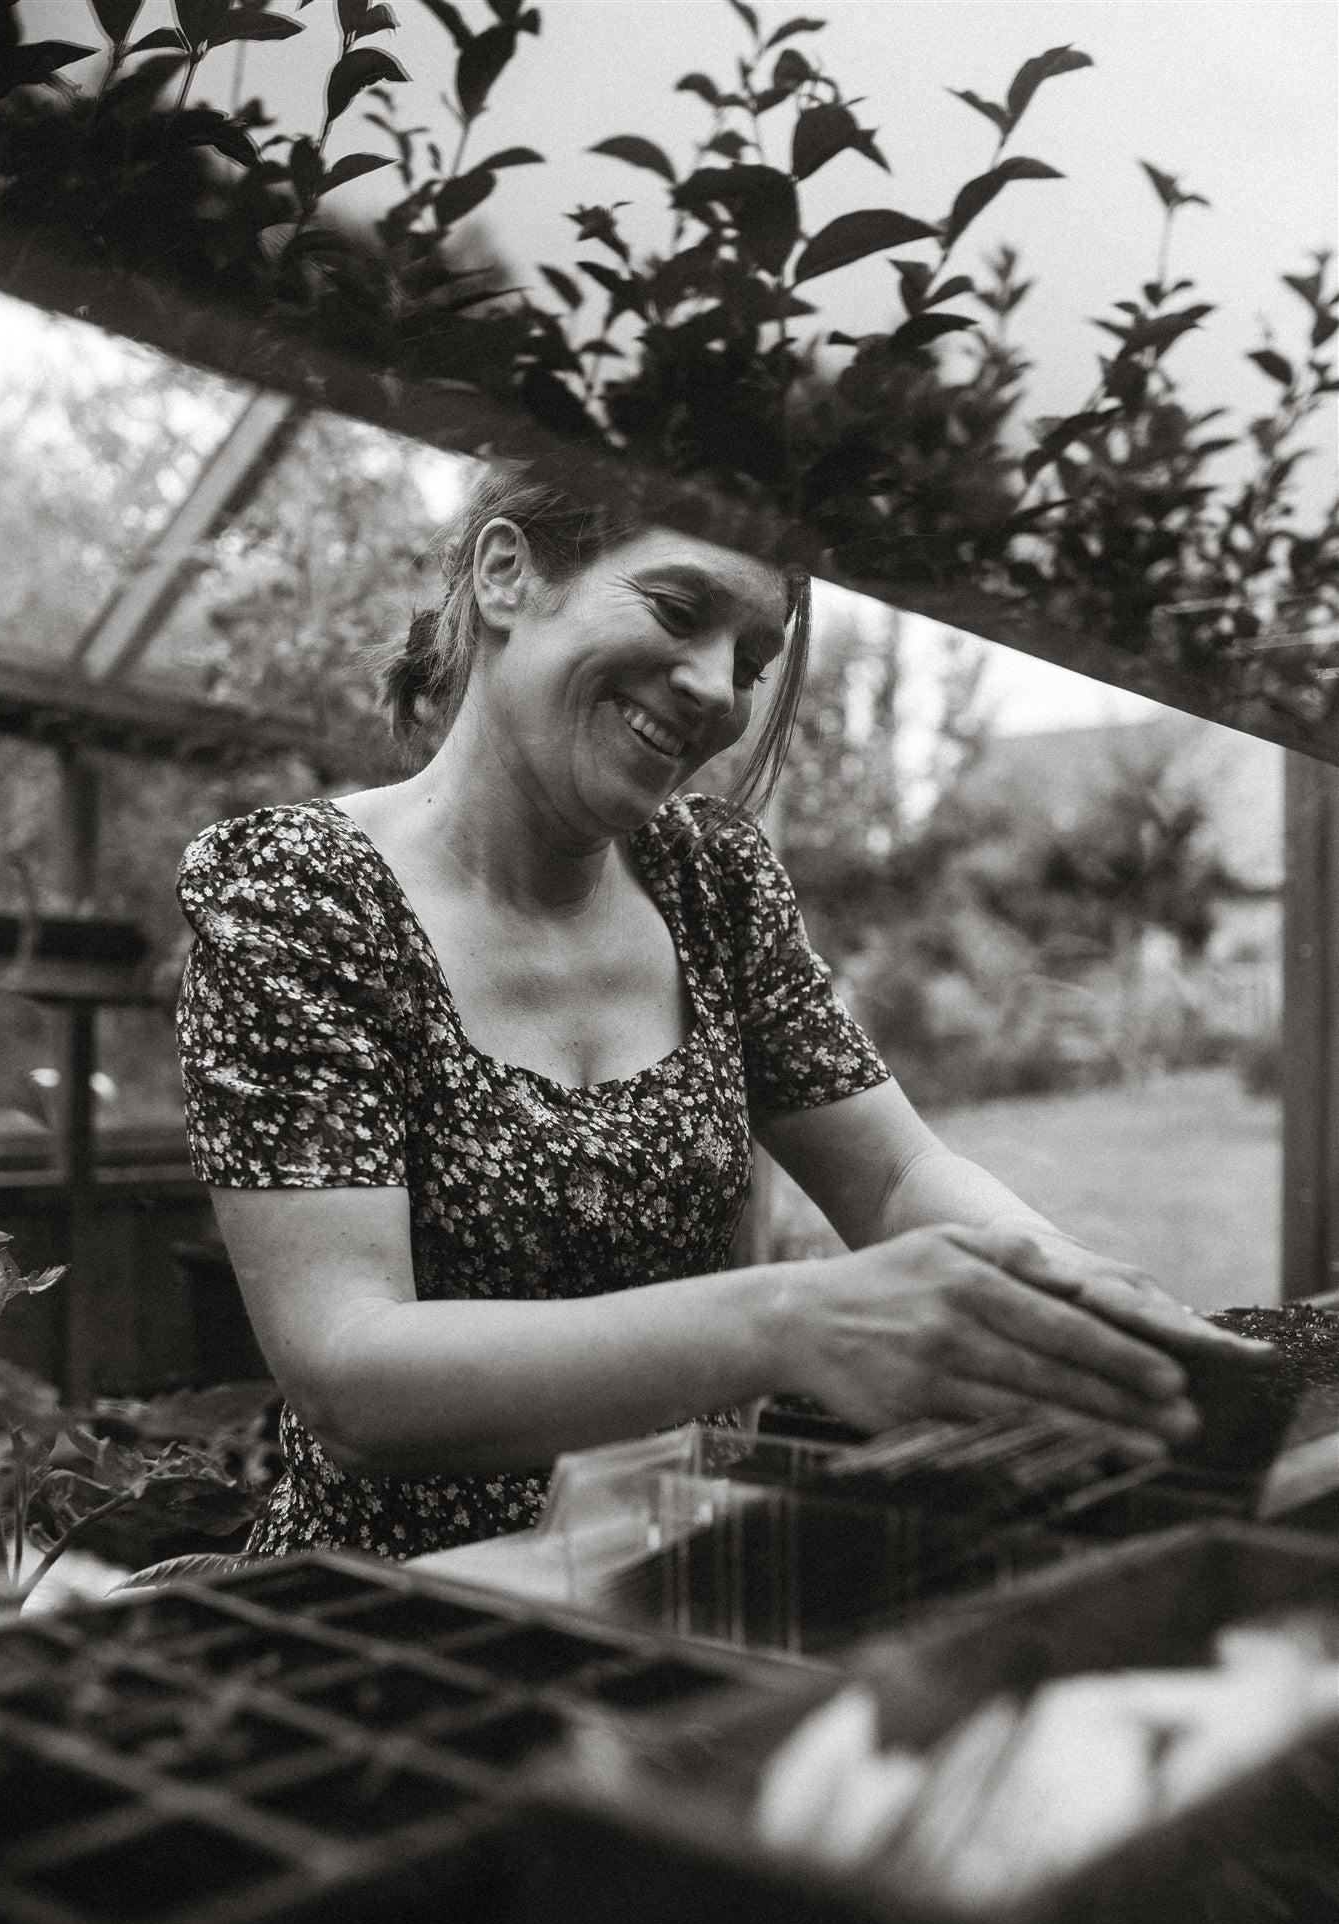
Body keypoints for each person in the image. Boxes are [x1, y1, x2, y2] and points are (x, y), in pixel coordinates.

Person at [175, 467, 1265, 1560]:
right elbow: (349, 1374)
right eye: (677, 610)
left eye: (751, 660)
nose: (715, 690)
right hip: (401, 1618)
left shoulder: (712, 882)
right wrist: (793, 1320)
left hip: (676, 1578)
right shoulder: (302, 895)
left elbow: (892, 1175)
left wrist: (1079, 1296)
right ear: (507, 574)